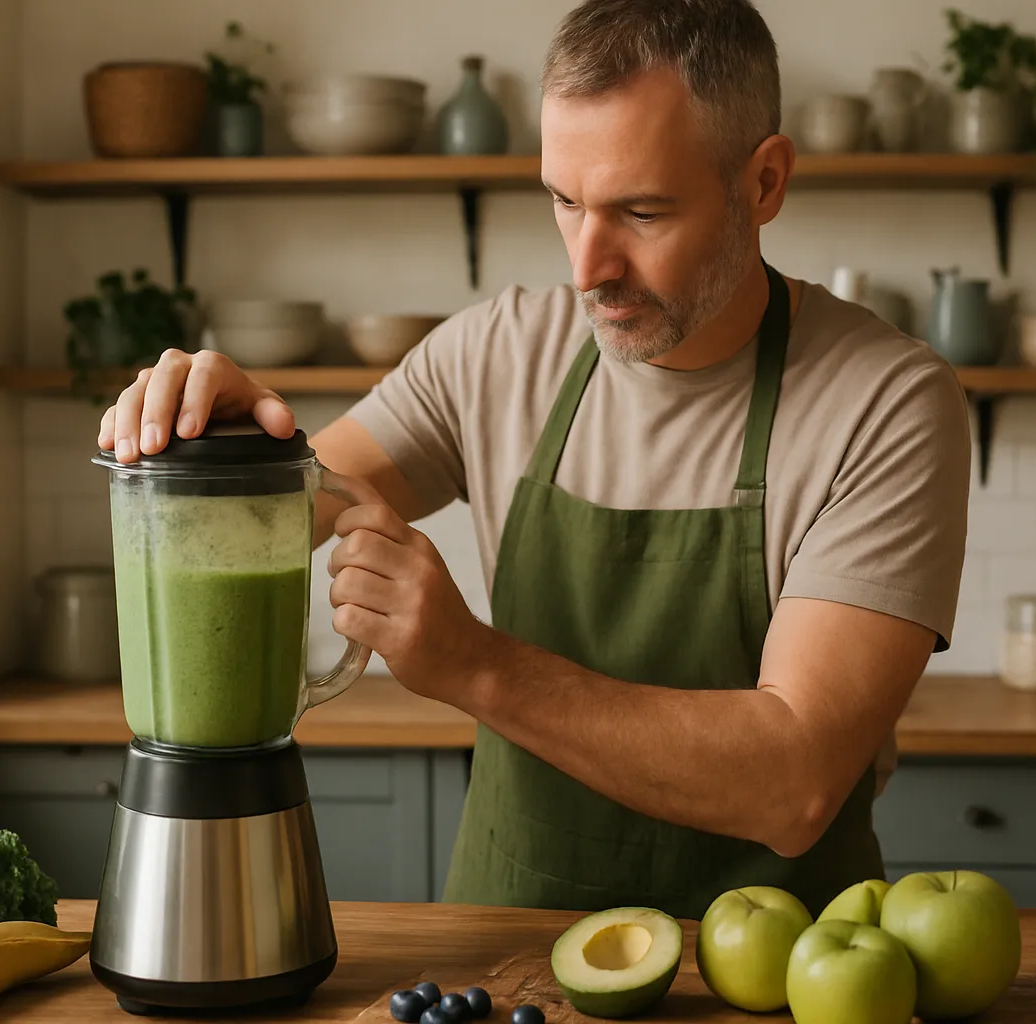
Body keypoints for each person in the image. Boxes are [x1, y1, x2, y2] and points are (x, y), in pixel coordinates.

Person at [98, 0, 970, 921]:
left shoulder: (887, 404)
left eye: (641, 210)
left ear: (763, 182)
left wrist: (475, 665)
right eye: (564, 200)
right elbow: (295, 501)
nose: (589, 265)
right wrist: (216, 436)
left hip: (789, 975)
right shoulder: (496, 354)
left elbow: (793, 783)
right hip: (504, 960)